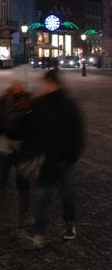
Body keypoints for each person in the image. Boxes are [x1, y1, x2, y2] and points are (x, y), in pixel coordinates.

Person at [14, 68, 86, 248]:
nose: (42, 86)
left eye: (45, 83)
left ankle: (69, 224)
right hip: (47, 160)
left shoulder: (67, 105)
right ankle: (40, 233)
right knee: (44, 197)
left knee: (65, 194)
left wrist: (71, 156)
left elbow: (77, 134)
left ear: (53, 83)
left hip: (62, 159)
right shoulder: (39, 104)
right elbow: (28, 130)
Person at [0, 79, 33, 228]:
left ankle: (23, 213)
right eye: (15, 83)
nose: (16, 86)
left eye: (19, 83)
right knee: (1, 179)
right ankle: (1, 209)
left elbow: (34, 126)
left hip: (21, 147)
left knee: (22, 182)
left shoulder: (29, 102)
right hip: (3, 145)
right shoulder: (5, 99)